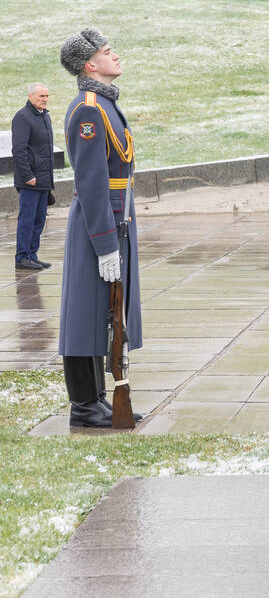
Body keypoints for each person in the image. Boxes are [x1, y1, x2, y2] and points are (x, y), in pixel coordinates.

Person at [58, 28, 143, 428]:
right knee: (83, 312)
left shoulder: (105, 104)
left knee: (104, 313)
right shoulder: (90, 109)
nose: (116, 57)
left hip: (116, 218)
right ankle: (83, 404)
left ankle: (96, 399)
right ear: (90, 64)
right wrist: (105, 243)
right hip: (100, 223)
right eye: (109, 52)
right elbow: (91, 182)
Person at [11, 83, 55, 270]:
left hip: (44, 179)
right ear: (30, 96)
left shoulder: (45, 116)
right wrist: (28, 175)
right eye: (41, 96)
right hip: (30, 179)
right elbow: (19, 150)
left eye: (46, 96)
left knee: (39, 219)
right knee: (27, 219)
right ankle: (22, 256)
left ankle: (32, 254)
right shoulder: (22, 117)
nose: (44, 99)